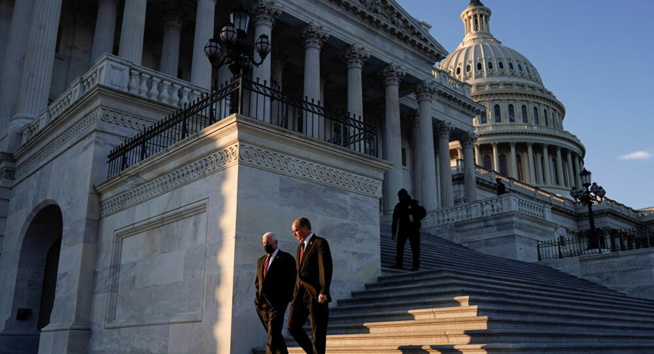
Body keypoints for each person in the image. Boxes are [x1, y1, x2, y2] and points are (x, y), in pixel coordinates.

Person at [287, 217, 333, 354]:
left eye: (296, 231)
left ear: (305, 228)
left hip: (315, 293)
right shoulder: (299, 248)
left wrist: (324, 290)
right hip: (300, 293)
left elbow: (325, 268)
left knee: (317, 331)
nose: (294, 235)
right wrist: (294, 293)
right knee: (292, 326)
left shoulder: (320, 243)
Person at [255, 232, 297, 354]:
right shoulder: (261, 260)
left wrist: (285, 299)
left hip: (277, 303)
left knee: (273, 333)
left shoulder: (286, 258)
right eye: (263, 243)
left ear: (276, 243)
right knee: (274, 333)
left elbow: (292, 280)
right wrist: (257, 299)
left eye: (268, 243)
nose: (265, 245)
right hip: (262, 304)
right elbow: (258, 282)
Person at [391, 188, 426, 271]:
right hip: (404, 229)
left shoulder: (415, 203)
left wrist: (414, 218)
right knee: (401, 247)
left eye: (401, 196)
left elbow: (423, 212)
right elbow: (395, 220)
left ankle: (414, 265)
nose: (400, 198)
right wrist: (393, 232)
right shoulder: (398, 206)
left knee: (414, 247)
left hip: (412, 228)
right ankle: (401, 264)